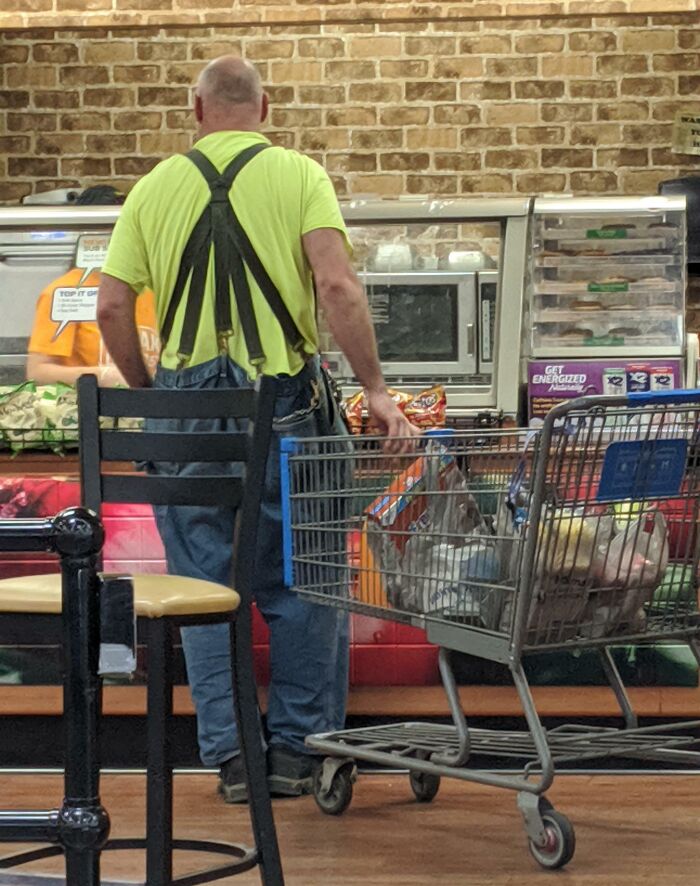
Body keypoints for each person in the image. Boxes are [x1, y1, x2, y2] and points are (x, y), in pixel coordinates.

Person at [96, 56, 419, 803]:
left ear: (195, 109)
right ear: (264, 107)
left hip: (186, 407)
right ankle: (298, 755)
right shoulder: (300, 176)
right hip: (289, 406)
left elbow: (112, 307)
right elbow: (336, 285)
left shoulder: (152, 187)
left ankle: (235, 758)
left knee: (205, 586)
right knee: (306, 578)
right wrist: (375, 389)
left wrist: (153, 398)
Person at [26, 186, 159, 387]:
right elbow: (38, 372)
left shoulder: (151, 287)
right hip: (92, 411)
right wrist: (103, 376)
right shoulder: (65, 291)